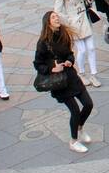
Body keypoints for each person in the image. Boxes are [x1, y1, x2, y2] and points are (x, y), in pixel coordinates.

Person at [35, 11, 96, 153]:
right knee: (75, 111)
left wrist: (69, 60)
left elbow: (69, 53)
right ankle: (73, 141)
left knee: (88, 104)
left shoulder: (63, 34)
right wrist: (52, 68)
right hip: (60, 82)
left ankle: (79, 127)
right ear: (47, 22)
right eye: (53, 17)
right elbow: (38, 63)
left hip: (71, 76)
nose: (57, 18)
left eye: (57, 16)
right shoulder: (43, 42)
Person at [54, 0, 101, 86]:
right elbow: (57, 11)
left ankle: (93, 74)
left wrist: (89, 0)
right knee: (82, 50)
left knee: (91, 48)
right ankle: (81, 73)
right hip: (74, 24)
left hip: (85, 20)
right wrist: (68, 20)